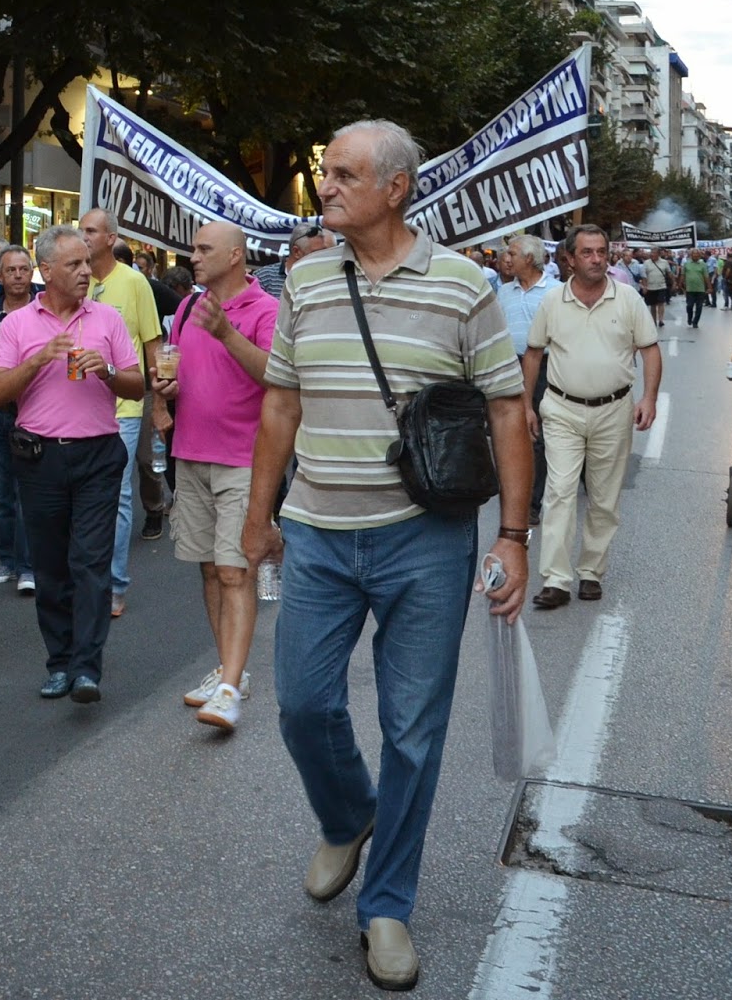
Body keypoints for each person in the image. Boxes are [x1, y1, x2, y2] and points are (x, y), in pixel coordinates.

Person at [241, 120, 531, 992]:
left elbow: (509, 413)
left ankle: (388, 903)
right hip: (320, 537)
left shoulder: (462, 286)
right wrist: (257, 519)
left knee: (412, 730)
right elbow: (281, 409)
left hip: (426, 540)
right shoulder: (304, 282)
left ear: (395, 187)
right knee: (300, 704)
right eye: (325, 173)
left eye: (341, 173)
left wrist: (513, 538)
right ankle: (348, 814)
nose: (322, 185)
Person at [0, 225, 142, 703]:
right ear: (46, 270)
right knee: (51, 567)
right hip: (40, 457)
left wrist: (110, 371)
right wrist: (39, 360)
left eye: (87, 262)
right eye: (74, 264)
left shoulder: (107, 319)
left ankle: (85, 669)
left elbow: (138, 385)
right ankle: (59, 661)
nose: (85, 271)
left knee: (90, 563)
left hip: (98, 453)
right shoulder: (18, 325)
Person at [151, 221, 279, 731]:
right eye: (194, 247)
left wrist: (226, 332)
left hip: (244, 458)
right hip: (191, 454)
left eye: (204, 249)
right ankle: (231, 669)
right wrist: (166, 392)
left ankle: (230, 687)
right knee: (208, 567)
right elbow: (181, 372)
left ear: (234, 255)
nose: (194, 256)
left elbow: (274, 373)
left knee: (235, 570)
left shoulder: (266, 309)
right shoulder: (185, 308)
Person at [524, 225, 661, 609]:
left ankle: (590, 572)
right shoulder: (552, 301)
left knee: (603, 498)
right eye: (587, 252)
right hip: (562, 409)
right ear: (569, 258)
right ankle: (555, 579)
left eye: (601, 251)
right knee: (559, 493)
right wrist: (524, 406)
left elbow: (650, 350)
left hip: (614, 410)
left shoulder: (629, 299)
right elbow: (533, 353)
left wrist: (648, 398)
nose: (597, 259)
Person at [80, 208, 162, 615]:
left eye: (91, 231)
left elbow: (152, 345)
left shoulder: (134, 283)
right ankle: (86, 577)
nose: (84, 237)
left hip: (125, 406)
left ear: (111, 237)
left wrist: (159, 401)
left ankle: (114, 585)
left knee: (118, 492)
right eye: (80, 231)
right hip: (78, 406)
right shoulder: (74, 282)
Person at [0, 244, 39, 593]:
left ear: (32, 273)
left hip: (32, 410)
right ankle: (7, 562)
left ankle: (29, 567)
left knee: (25, 491)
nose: (17, 275)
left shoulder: (44, 312)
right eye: (11, 270)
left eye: (23, 269)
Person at [498, 235, 559, 526]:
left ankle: (531, 504)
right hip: (509, 366)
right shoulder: (504, 291)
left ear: (530, 259)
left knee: (536, 434)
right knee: (508, 430)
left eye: (512, 254)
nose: (506, 258)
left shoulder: (555, 292)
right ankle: (511, 494)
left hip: (544, 368)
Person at [254, 221, 331, 300]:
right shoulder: (264, 278)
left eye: (323, 251)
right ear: (296, 252)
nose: (321, 257)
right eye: (315, 253)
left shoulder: (326, 279)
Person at [641, 246, 672, 327]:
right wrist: (645, 286)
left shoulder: (664, 262)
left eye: (654, 253)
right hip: (650, 287)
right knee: (653, 305)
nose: (652, 254)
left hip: (661, 286)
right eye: (651, 253)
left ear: (658, 254)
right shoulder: (646, 263)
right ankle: (653, 320)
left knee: (661, 303)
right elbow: (644, 276)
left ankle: (661, 320)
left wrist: (674, 282)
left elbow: (669, 273)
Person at [682, 251, 709, 329]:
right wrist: (680, 284)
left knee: (699, 306)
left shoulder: (703, 264)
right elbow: (683, 275)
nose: (695, 257)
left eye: (697, 256)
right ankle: (690, 317)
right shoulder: (686, 264)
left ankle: (695, 322)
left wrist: (709, 287)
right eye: (694, 255)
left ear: (699, 256)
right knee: (689, 305)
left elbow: (706, 276)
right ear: (691, 256)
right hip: (690, 289)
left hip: (700, 289)